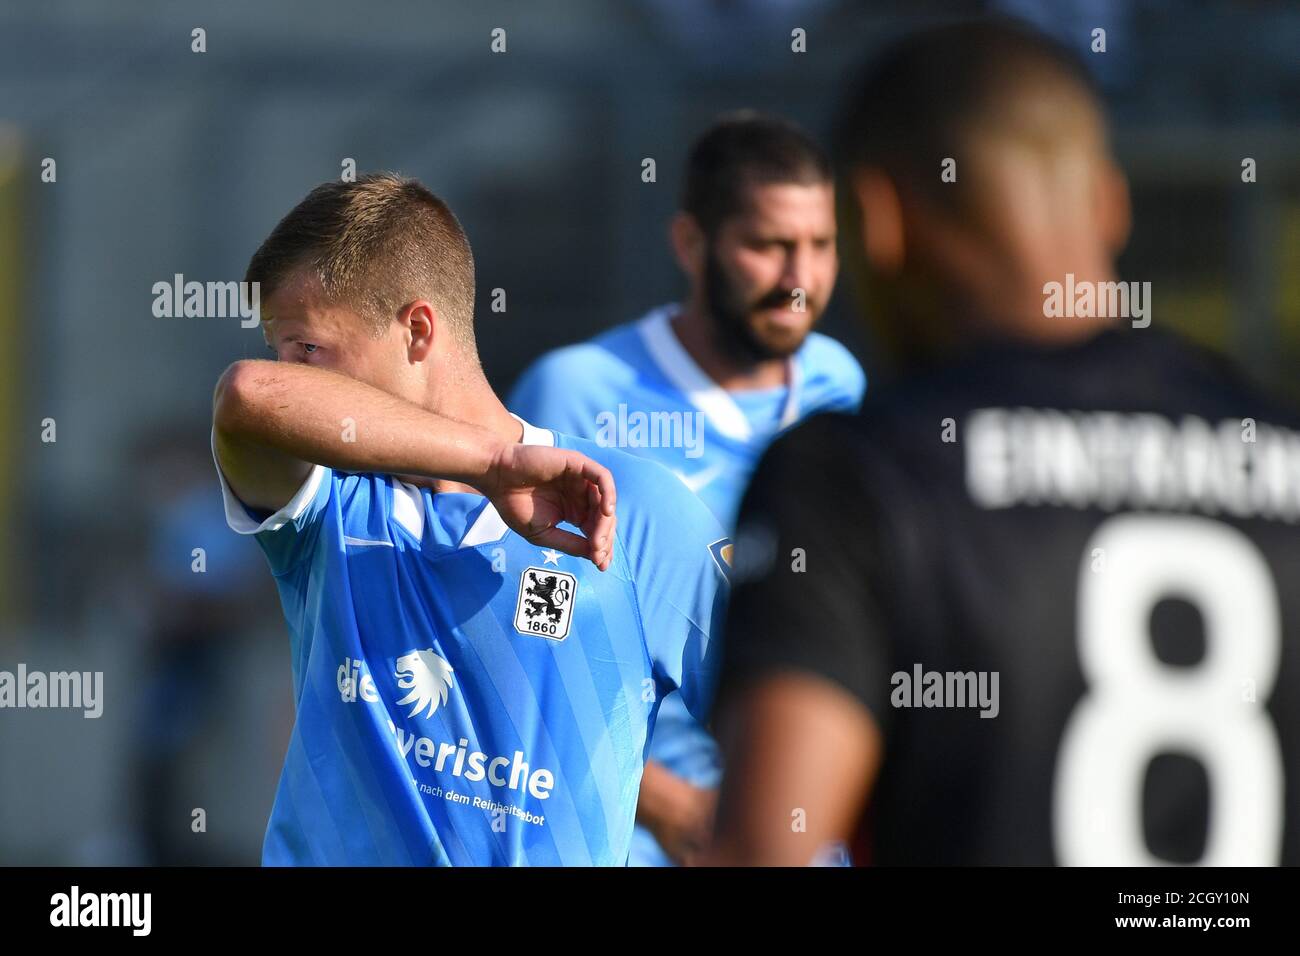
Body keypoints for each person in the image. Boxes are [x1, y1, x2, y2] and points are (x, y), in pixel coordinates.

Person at [709, 18, 1300, 866]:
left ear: (880, 223)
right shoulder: (1280, 445)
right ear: (1111, 202)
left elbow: (764, 851)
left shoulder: (857, 473)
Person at [212, 173, 730, 865]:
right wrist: (494, 463)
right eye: (281, 349)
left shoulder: (626, 509)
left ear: (418, 330)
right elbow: (248, 397)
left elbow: (790, 722)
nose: (289, 370)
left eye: (308, 349)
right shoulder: (323, 503)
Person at [509, 112, 864, 865]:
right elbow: (523, 649)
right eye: (769, 246)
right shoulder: (576, 395)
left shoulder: (842, 385)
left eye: (821, 246)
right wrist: (664, 802)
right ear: (691, 244)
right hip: (631, 842)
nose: (800, 281)